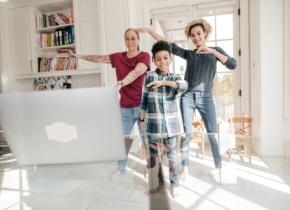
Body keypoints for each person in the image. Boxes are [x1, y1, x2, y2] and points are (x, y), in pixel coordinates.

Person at [133, 18, 237, 182]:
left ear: (205, 34)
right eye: (193, 35)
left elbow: (232, 64)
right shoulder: (189, 54)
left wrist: (212, 51)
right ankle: (185, 168)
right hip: (187, 96)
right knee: (186, 134)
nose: (196, 37)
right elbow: (167, 43)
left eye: (199, 34)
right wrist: (148, 30)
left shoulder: (214, 51)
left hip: (206, 98)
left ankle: (219, 168)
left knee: (212, 134)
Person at [69, 29, 151, 179]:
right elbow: (98, 58)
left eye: (133, 38)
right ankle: (120, 169)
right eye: (127, 39)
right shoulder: (118, 57)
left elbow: (137, 72)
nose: (130, 41)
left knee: (147, 139)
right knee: (123, 141)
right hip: (125, 107)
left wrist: (120, 83)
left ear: (138, 40)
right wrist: (78, 56)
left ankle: (152, 170)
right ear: (124, 40)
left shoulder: (144, 56)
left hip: (142, 107)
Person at [139, 40, 188, 198]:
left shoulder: (175, 77)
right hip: (154, 124)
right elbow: (144, 99)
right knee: (154, 156)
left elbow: (184, 86)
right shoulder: (149, 77)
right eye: (158, 59)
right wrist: (141, 119)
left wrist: (163, 82)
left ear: (171, 59)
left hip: (171, 127)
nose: (162, 62)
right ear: (154, 60)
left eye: (165, 58)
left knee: (173, 156)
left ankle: (174, 184)